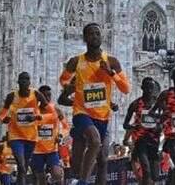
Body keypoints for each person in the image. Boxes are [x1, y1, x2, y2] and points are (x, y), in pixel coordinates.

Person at [58, 23, 131, 185]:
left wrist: (111, 73)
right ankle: (82, 182)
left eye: (97, 33)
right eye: (91, 34)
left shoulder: (111, 61)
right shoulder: (75, 62)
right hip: (81, 113)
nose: (95, 36)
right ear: (85, 38)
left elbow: (126, 88)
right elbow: (63, 79)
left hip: (102, 115)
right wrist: (68, 86)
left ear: (101, 36)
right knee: (95, 141)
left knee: (102, 159)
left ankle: (77, 178)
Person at [0, 72, 48, 185]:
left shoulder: (36, 94)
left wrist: (36, 116)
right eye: (22, 79)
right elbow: (2, 113)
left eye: (27, 79)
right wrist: (3, 119)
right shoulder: (11, 96)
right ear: (18, 82)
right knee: (21, 165)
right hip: (15, 137)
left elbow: (45, 105)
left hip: (31, 137)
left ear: (29, 82)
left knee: (23, 167)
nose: (24, 81)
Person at [123, 77, 161, 185]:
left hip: (154, 142)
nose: (150, 90)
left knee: (154, 177)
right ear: (142, 88)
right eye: (147, 87)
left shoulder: (158, 104)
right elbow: (125, 124)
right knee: (146, 171)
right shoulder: (135, 104)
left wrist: (160, 126)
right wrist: (134, 127)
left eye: (152, 88)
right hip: (141, 141)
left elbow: (167, 119)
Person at [32, 85, 66, 185]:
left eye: (49, 95)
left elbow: (65, 126)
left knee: (57, 174)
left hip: (52, 150)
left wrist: (60, 135)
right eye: (45, 95)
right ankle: (47, 180)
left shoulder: (56, 110)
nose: (47, 98)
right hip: (37, 151)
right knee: (40, 179)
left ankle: (52, 180)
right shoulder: (34, 111)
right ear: (39, 97)